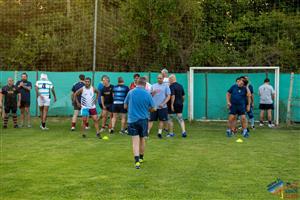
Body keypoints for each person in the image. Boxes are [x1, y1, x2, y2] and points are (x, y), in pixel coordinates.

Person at [124, 77, 156, 169]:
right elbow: (154, 108)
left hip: (132, 120)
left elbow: (125, 106)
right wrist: (147, 109)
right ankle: (141, 157)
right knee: (142, 139)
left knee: (135, 140)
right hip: (143, 120)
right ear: (145, 84)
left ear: (137, 83)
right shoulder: (147, 94)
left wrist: (131, 108)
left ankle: (137, 161)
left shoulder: (130, 92)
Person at [148, 74, 171, 139]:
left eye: (160, 78)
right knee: (150, 120)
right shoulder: (153, 86)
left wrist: (163, 104)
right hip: (154, 107)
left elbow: (168, 96)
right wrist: (153, 93)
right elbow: (150, 96)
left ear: (163, 78)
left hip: (162, 107)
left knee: (161, 120)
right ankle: (147, 133)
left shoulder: (166, 86)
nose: (159, 79)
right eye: (158, 78)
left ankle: (159, 133)